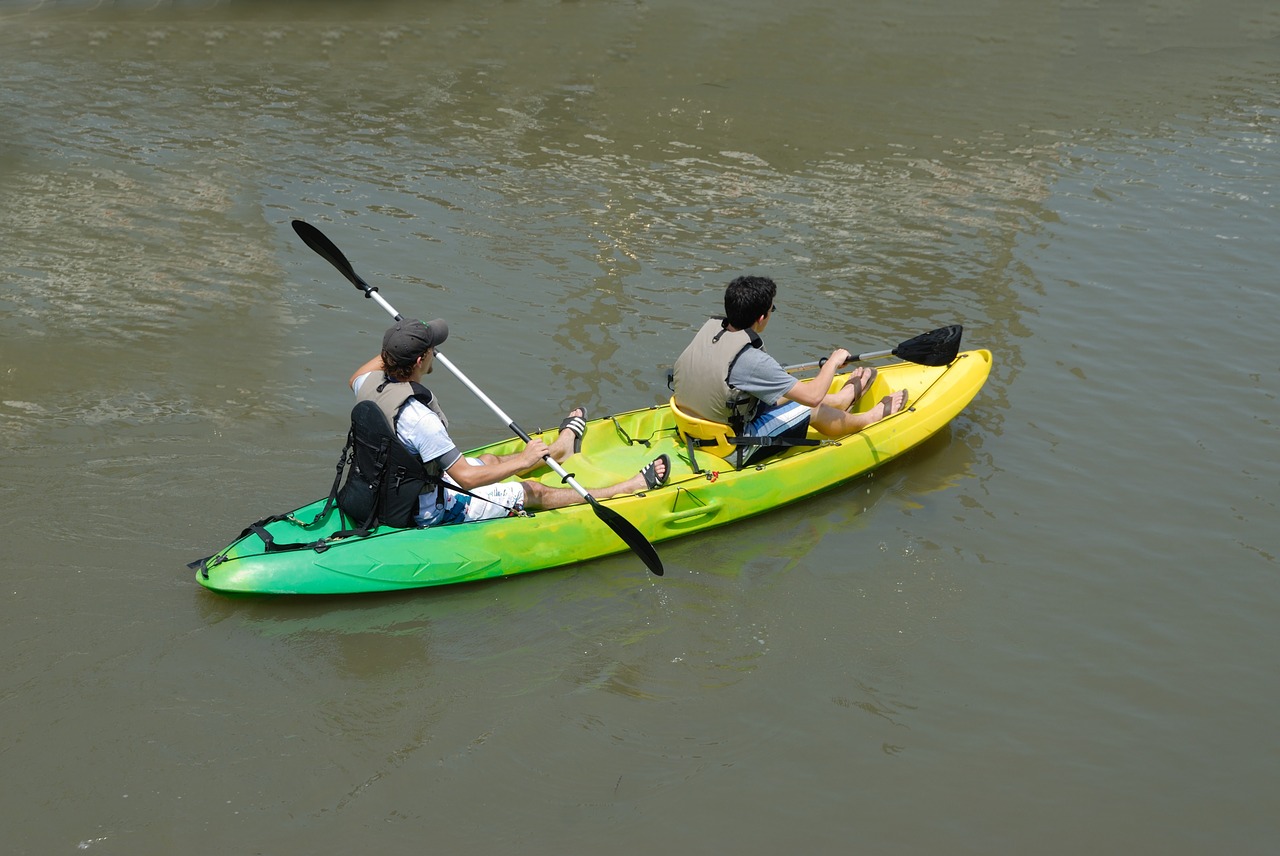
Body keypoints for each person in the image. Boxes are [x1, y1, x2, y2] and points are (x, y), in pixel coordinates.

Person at [347, 317, 669, 527]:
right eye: (431, 349)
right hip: (425, 509)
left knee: (489, 459)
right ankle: (625, 488)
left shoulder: (368, 385)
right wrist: (525, 460)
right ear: (420, 361)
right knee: (531, 490)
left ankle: (559, 450)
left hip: (392, 486)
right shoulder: (420, 420)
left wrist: (399, 344)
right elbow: (468, 479)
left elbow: (359, 374)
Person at [672, 275, 908, 466]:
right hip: (730, 446)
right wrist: (832, 363)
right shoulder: (753, 360)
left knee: (783, 392)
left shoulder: (712, 332)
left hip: (690, 430)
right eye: (772, 309)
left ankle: (840, 400)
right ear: (762, 317)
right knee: (810, 406)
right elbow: (812, 397)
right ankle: (868, 418)